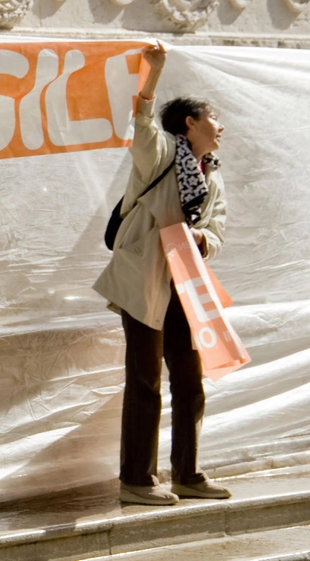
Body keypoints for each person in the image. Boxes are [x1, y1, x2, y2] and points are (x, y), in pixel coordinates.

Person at [93, 43, 229, 505]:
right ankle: (137, 479)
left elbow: (218, 226)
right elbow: (143, 120)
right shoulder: (159, 152)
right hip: (144, 277)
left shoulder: (212, 175)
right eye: (214, 118)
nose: (221, 126)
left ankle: (187, 475)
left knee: (190, 379)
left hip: (185, 284)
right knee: (145, 379)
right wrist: (153, 75)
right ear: (190, 123)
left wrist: (202, 240)